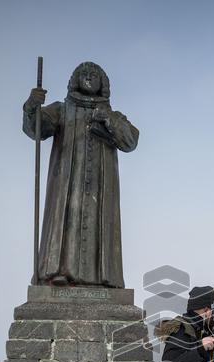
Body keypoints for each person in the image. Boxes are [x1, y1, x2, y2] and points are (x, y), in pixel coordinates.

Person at [23, 61, 139, 287]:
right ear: (74, 80)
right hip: (67, 182)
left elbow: (131, 141)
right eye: (83, 73)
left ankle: (104, 279)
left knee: (100, 226)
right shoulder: (62, 109)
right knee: (67, 219)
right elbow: (36, 129)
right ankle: (56, 272)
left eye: (94, 74)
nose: (88, 76)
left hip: (101, 187)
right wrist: (31, 107)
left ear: (102, 84)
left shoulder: (111, 114)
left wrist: (109, 118)